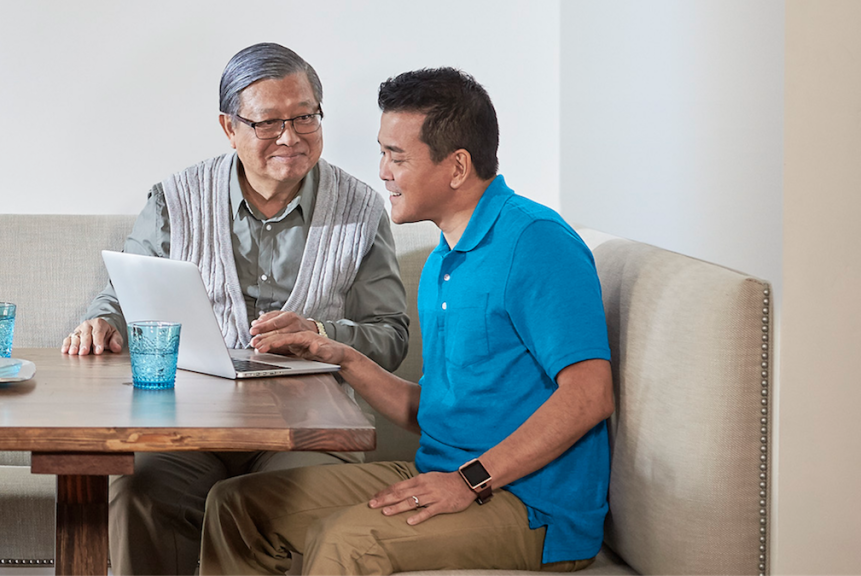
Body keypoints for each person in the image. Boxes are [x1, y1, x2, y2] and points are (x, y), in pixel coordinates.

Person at [198, 67, 615, 575]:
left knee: (347, 540)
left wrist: (469, 480)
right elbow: (436, 411)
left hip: (532, 507)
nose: (382, 171)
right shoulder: (444, 259)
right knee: (237, 506)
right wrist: (339, 355)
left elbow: (590, 394)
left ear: (457, 167)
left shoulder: (537, 242)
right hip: (442, 474)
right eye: (382, 152)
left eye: (396, 156)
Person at [62, 43, 409, 576]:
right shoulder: (175, 198)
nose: (291, 137)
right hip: (192, 422)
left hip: (309, 425)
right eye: (269, 123)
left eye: (305, 117)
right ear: (230, 127)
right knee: (139, 492)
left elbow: (388, 334)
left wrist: (320, 333)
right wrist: (104, 321)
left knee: (278, 500)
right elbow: (127, 291)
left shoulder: (362, 208)